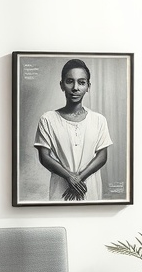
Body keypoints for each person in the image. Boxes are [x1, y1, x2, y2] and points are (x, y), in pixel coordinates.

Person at [34, 59, 112, 201]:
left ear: (88, 86)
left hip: (89, 189)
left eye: (81, 82)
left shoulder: (98, 120)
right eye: (70, 81)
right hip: (61, 191)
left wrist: (78, 179)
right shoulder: (48, 119)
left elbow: (102, 156)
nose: (75, 87)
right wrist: (69, 177)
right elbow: (44, 157)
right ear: (62, 85)